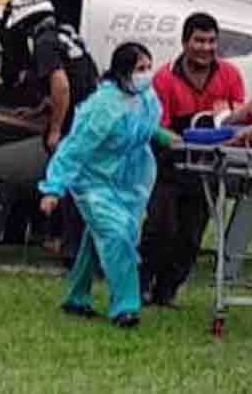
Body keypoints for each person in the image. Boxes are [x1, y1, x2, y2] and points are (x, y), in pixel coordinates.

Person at [38, 42, 174, 327]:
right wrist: (54, 189)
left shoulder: (145, 96)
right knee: (117, 235)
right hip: (94, 182)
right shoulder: (102, 107)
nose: (147, 74)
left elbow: (144, 125)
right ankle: (126, 307)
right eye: (140, 69)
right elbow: (74, 149)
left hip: (130, 180)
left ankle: (77, 297)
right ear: (124, 71)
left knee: (98, 235)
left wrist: (160, 135)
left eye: (149, 67)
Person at [0, 0, 99, 265]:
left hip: (77, 119)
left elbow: (62, 87)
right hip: (90, 114)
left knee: (65, 177)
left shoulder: (44, 42)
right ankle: (66, 239)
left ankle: (66, 243)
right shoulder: (66, 34)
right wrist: (42, 108)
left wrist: (54, 129)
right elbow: (78, 80)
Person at [139, 12, 246, 306]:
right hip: (170, 165)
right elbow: (158, 126)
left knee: (191, 235)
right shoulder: (164, 78)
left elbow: (238, 118)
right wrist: (177, 140)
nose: (206, 47)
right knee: (161, 227)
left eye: (212, 41)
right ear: (185, 42)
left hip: (209, 167)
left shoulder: (230, 75)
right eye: (199, 40)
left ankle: (168, 290)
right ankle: (142, 283)